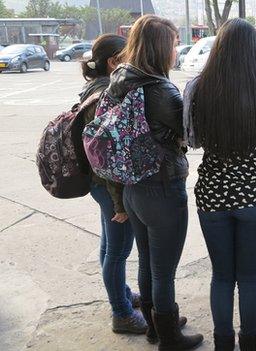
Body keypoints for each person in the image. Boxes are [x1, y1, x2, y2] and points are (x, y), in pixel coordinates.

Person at [183, 18, 256, 351]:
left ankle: (223, 342)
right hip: (254, 196)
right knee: (250, 275)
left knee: (222, 275)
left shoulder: (199, 93)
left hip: (212, 196)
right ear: (251, 53)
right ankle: (250, 341)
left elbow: (191, 140)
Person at [112, 15, 203, 350]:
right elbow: (190, 134)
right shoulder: (162, 90)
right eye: (175, 43)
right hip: (162, 188)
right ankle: (169, 336)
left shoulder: (121, 78)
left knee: (148, 262)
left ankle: (154, 325)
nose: (177, 50)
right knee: (163, 271)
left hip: (133, 187)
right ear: (162, 48)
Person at [80, 33, 147, 334]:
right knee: (118, 251)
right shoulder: (108, 94)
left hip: (99, 185)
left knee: (110, 246)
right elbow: (111, 156)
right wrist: (120, 203)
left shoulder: (92, 88)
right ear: (113, 62)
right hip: (109, 187)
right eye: (128, 53)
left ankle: (120, 295)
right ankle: (121, 314)